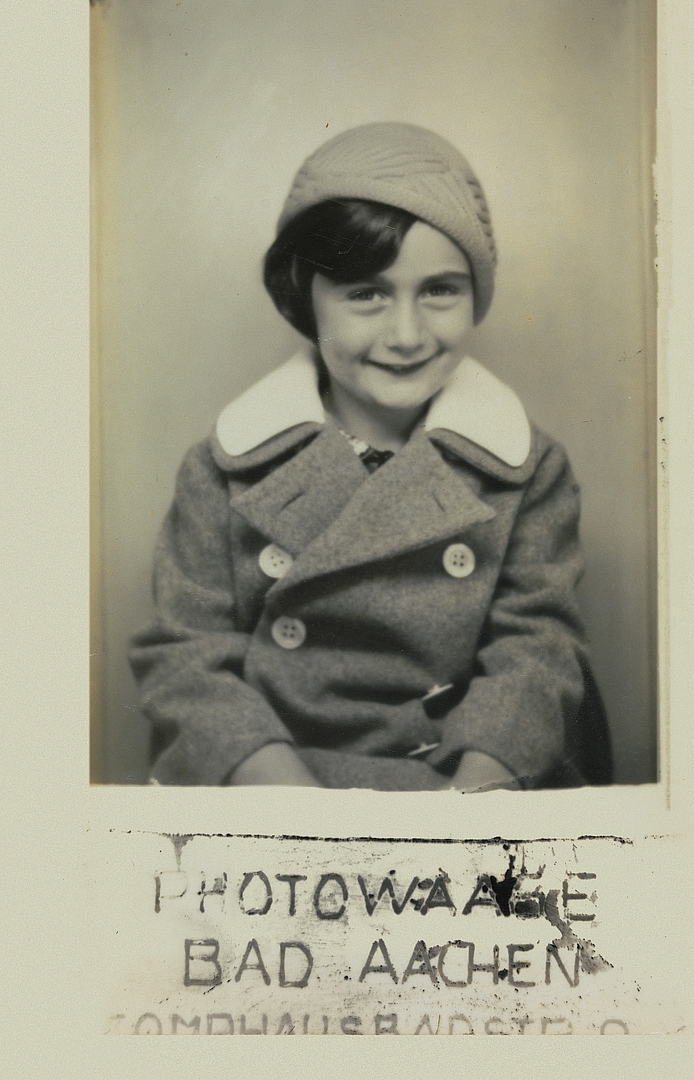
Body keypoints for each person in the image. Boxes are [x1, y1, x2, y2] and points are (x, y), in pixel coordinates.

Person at [129, 122, 611, 790]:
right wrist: (291, 807)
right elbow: (187, 659)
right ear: (305, 297)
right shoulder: (224, 467)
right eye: (366, 293)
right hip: (274, 788)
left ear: (476, 296)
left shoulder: (528, 469)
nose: (407, 334)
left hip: (453, 787)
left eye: (440, 290)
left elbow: (536, 656)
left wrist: (473, 804)